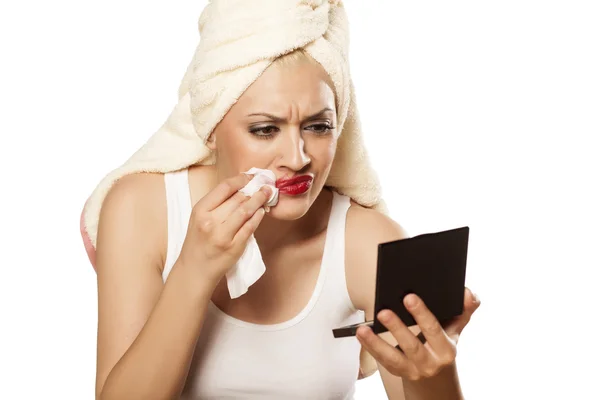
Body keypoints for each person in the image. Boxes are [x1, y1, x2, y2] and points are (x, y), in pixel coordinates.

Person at [81, 1, 480, 399]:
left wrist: (432, 373)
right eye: (265, 129)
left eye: (319, 126)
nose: (297, 157)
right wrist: (193, 271)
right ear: (211, 129)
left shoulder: (368, 241)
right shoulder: (141, 210)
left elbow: (422, 369)